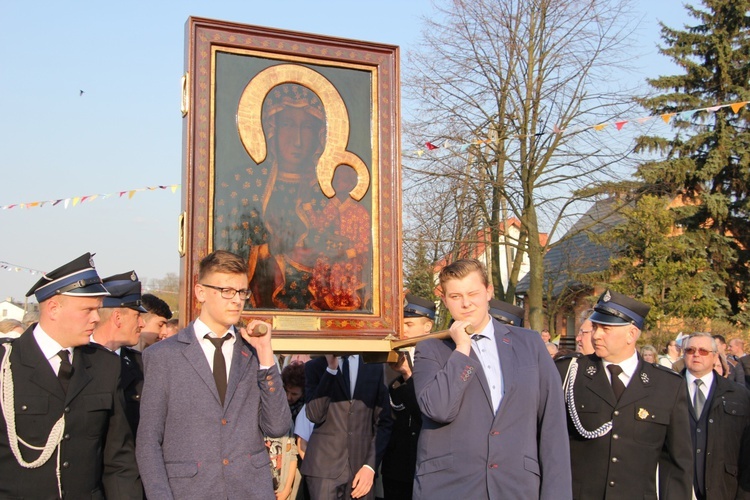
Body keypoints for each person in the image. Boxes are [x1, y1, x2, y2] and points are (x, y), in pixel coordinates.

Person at [137, 250, 291, 499]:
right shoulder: (164, 356)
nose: (237, 300)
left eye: (242, 292)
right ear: (201, 293)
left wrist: (265, 354)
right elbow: (148, 441)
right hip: (189, 491)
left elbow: (277, 427)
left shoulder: (253, 353)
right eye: (227, 291)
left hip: (250, 490)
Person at [412, 258, 571, 499]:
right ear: (444, 300)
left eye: (473, 293)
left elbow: (553, 425)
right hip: (451, 488)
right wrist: (461, 350)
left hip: (516, 487)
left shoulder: (529, 344)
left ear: (488, 292)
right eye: (455, 297)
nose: (466, 303)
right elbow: (439, 410)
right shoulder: (431, 349)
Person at [0, 253, 141, 498]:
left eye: (97, 309)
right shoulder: (5, 364)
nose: (96, 318)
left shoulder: (105, 365)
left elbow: (119, 461)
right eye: (88, 309)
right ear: (54, 308)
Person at [556, 289, 692, 499]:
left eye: (606, 328)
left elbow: (677, 463)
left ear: (631, 333)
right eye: (595, 327)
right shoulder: (569, 373)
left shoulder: (667, 385)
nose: (596, 335)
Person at [302, 351, 392, 500]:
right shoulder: (315, 366)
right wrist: (331, 369)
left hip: (361, 469)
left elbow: (383, 422)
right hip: (323, 469)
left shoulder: (375, 367)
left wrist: (370, 466)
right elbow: (314, 415)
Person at [682, 332, 750, 499]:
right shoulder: (667, 390)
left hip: (724, 487)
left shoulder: (738, 394)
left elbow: (746, 450)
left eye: (703, 351)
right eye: (690, 350)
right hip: (679, 487)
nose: (696, 354)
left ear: (715, 357)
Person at [381, 293, 436, 500]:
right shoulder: (388, 358)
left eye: (409, 324)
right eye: (400, 323)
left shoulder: (440, 358)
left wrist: (408, 375)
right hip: (396, 463)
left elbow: (427, 411)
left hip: (428, 463)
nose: (402, 329)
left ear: (427, 326)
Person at [90, 270, 148, 440]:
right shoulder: (78, 360)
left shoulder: (142, 364)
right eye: (137, 316)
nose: (142, 324)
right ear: (117, 318)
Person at [264, 360, 306, 500]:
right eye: (286, 391)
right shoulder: (277, 407)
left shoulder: (305, 411)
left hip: (296, 464)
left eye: (294, 394)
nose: (289, 397)